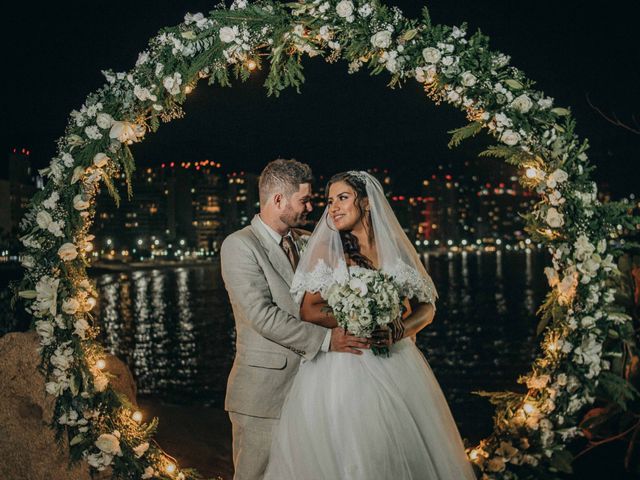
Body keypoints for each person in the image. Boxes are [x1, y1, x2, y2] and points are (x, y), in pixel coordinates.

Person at [264, 170, 477, 480]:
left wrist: (400, 328)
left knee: (400, 447)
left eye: (343, 198)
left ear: (366, 202)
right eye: (329, 200)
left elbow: (427, 307)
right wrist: (362, 314)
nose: (333, 207)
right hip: (343, 367)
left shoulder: (395, 250)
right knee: (354, 450)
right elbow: (309, 310)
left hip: (398, 361)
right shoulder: (328, 249)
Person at [220, 160, 370, 480]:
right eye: (304, 200)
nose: (311, 206)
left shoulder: (306, 241)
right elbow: (262, 316)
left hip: (310, 390)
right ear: (278, 200)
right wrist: (329, 340)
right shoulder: (239, 245)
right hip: (264, 394)